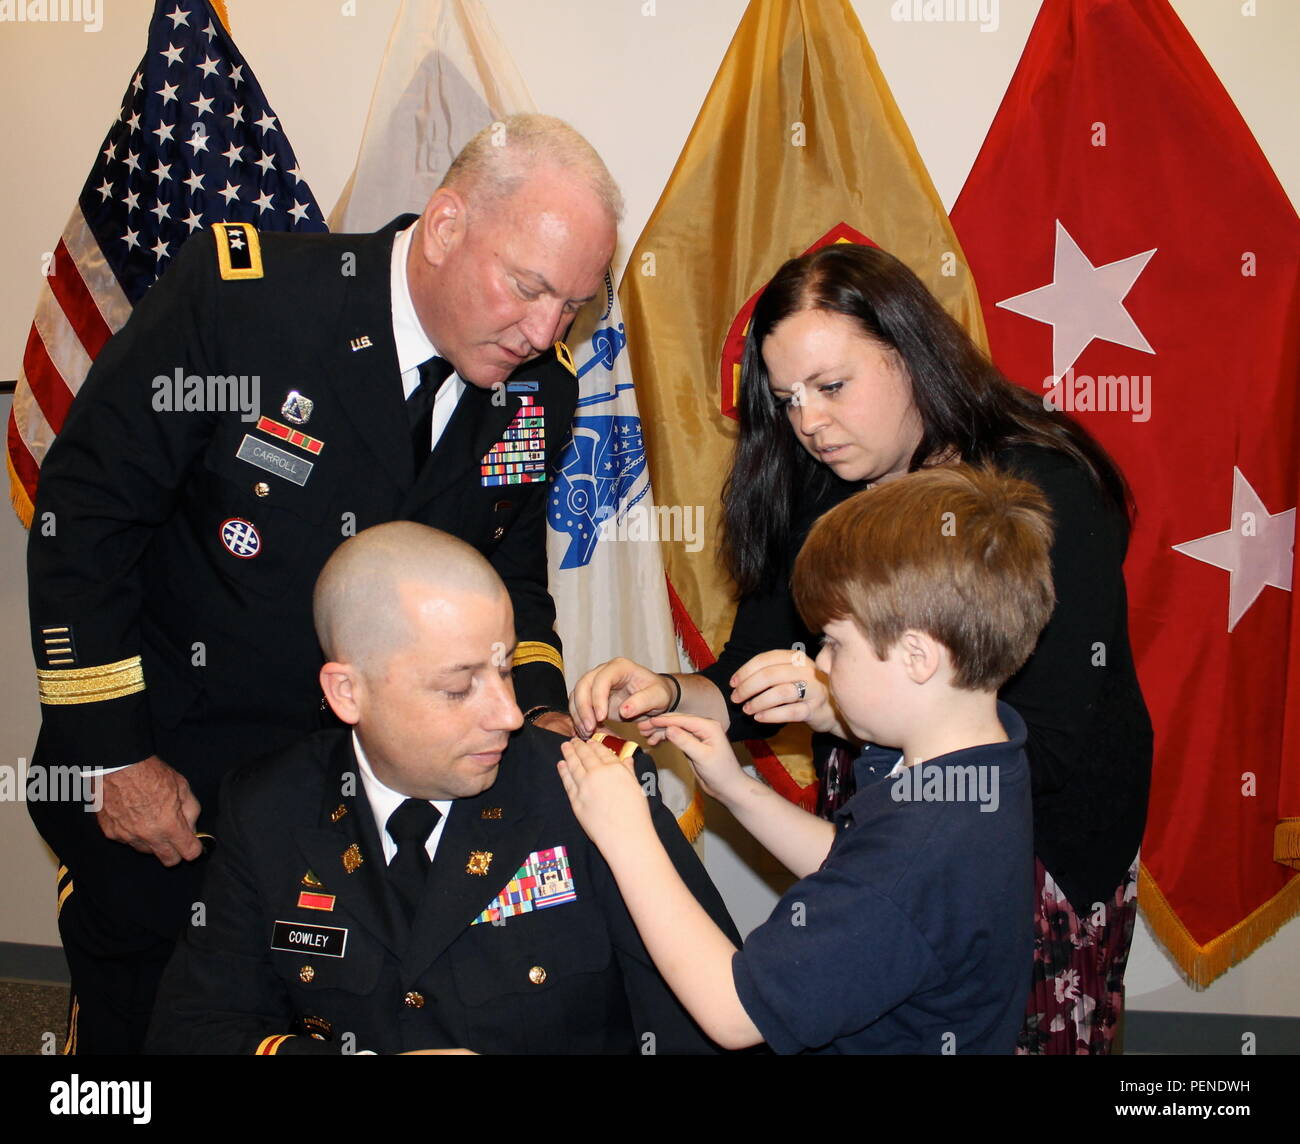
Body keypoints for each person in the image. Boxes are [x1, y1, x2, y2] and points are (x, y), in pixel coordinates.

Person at [27, 113, 617, 1054]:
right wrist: (111, 753)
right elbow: (85, 514)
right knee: (147, 1042)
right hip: (175, 792)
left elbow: (509, 573)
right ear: (446, 225)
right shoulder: (245, 303)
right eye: (528, 287)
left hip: (364, 815)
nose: (547, 331)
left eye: (575, 306)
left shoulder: (534, 395)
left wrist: (537, 711)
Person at [570, 242, 1153, 1055]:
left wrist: (833, 706)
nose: (808, 423)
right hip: (898, 808)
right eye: (788, 399)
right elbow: (749, 679)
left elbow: (1038, 752)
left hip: (1040, 848)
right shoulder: (820, 480)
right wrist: (668, 695)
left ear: (911, 355)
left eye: (832, 386)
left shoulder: (1036, 493)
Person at [147, 522, 737, 1055]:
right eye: (459, 688)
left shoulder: (594, 792)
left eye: (505, 671)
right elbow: (193, 1030)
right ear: (347, 692)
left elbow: (709, 1032)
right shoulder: (269, 806)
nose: (509, 714)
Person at [560, 465, 1052, 1053]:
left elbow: (733, 1011)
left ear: (918, 656)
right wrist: (736, 789)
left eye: (836, 643)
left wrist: (626, 834)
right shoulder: (985, 758)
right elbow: (852, 865)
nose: (819, 662)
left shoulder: (918, 851)